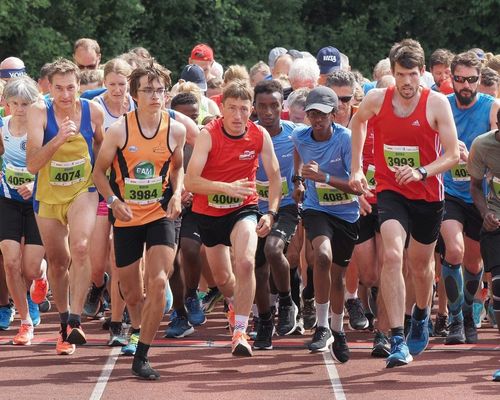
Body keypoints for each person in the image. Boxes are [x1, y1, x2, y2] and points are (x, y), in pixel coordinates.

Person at [350, 39, 459, 368]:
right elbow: (357, 123)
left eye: (412, 74)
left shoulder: (436, 103)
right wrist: (356, 168)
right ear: (393, 74)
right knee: (393, 255)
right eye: (400, 74)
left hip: (427, 195)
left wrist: (422, 171)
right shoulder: (376, 99)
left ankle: (422, 315)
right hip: (390, 189)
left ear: (422, 73)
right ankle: (397, 337)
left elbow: (453, 154)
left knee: (421, 268)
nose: (406, 82)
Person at [93, 61, 186, 379]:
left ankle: (142, 354)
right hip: (128, 216)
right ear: (135, 94)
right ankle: (136, 325)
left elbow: (177, 168)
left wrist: (177, 193)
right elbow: (98, 173)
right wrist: (113, 201)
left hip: (160, 214)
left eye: (160, 89)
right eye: (148, 90)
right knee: (132, 292)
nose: (155, 95)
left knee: (159, 280)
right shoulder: (119, 130)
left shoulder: (176, 129)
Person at [185, 79, 281, 357]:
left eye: (243, 108)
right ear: (221, 109)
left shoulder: (259, 134)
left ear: (251, 109)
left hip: (244, 209)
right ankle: (233, 304)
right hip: (210, 213)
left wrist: (272, 212)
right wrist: (226, 188)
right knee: (225, 278)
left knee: (247, 262)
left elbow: (274, 177)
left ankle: (241, 329)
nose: (238, 116)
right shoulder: (208, 134)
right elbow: (191, 182)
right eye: (232, 108)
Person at [26, 58, 105, 355]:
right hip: (47, 196)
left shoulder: (92, 112)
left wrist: (110, 186)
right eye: (58, 88)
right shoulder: (39, 112)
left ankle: (75, 320)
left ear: (79, 87)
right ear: (49, 88)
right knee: (59, 263)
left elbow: (104, 152)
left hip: (83, 190)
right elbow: (33, 164)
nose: (65, 95)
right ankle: (63, 326)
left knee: (81, 247)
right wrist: (58, 139)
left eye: (71, 88)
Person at [293, 86, 360, 363]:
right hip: (315, 209)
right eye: (312, 114)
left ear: (334, 114)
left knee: (339, 275)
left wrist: (324, 177)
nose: (317, 119)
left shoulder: (346, 140)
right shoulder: (300, 137)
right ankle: (321, 326)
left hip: (346, 214)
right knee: (321, 257)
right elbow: (297, 167)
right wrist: (298, 184)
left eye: (322, 114)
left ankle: (337, 328)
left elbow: (357, 188)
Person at [441, 51, 500, 346]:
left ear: (479, 79)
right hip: (449, 191)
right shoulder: (442, 105)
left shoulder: (491, 107)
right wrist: (450, 154)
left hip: (479, 195)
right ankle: (454, 318)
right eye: (460, 79)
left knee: (475, 264)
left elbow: (496, 144)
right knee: (454, 250)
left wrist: (474, 156)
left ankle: (467, 311)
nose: (465, 85)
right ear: (451, 78)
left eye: (472, 80)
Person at [86, 58, 135, 346]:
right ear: (104, 83)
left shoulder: (137, 106)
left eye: (122, 84)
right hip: (100, 184)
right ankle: (97, 285)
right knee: (97, 257)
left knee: (120, 256)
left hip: (128, 188)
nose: (117, 89)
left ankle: (123, 310)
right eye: (112, 84)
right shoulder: (95, 108)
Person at [252, 80, 299, 350]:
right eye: (262, 106)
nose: (268, 111)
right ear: (255, 108)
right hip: (254, 207)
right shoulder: (249, 134)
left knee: (273, 249)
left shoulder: (296, 133)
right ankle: (265, 322)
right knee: (257, 268)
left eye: (273, 106)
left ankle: (286, 299)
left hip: (287, 206)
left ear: (283, 107)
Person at [0, 76, 47, 344]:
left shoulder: (40, 130)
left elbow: (54, 167)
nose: (20, 108)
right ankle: (25, 321)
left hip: (37, 203)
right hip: (7, 200)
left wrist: (35, 182)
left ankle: (41, 278)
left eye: (25, 103)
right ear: (6, 103)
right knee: (10, 261)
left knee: (30, 269)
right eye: (15, 103)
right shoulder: (2, 127)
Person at [467, 109, 500, 381]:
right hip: (496, 223)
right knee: (499, 287)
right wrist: (485, 214)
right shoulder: (483, 144)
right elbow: (476, 186)